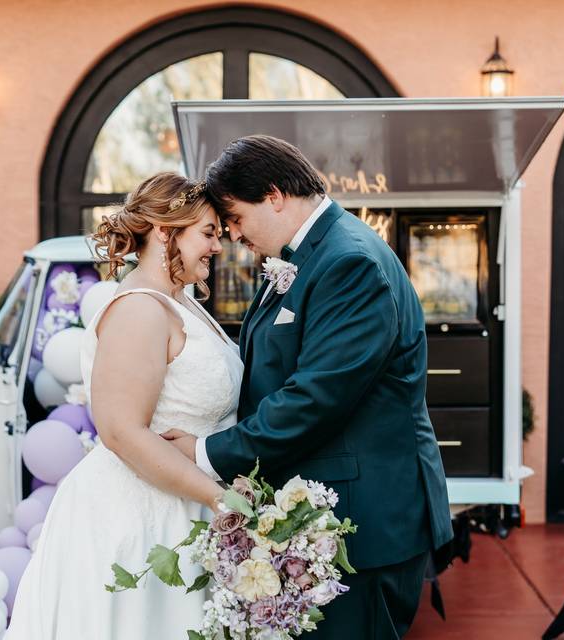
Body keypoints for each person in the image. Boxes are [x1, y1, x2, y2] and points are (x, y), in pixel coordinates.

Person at [163, 135, 453, 640]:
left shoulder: (350, 262)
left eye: (234, 217)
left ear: (274, 196)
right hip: (321, 513)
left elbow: (316, 399)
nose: (232, 235)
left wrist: (206, 452)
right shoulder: (309, 256)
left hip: (366, 519)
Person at [5, 172, 243, 639]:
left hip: (186, 502)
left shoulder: (181, 302)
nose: (218, 247)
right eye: (208, 233)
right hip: (140, 518)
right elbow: (120, 431)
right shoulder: (140, 309)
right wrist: (219, 498)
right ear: (163, 231)